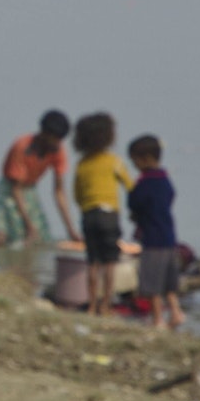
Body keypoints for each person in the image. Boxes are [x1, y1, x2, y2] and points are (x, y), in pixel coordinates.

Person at [73, 113, 136, 315]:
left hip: (89, 214)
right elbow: (130, 186)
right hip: (109, 214)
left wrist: (86, 207)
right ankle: (106, 304)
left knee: (92, 262)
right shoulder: (114, 161)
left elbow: (77, 194)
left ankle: (91, 305)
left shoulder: (82, 164)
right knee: (109, 262)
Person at [0, 110, 81, 247]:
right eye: (54, 139)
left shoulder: (58, 151)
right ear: (44, 134)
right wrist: (28, 224)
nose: (57, 143)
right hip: (9, 189)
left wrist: (70, 230)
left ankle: (29, 266)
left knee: (39, 238)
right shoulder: (22, 146)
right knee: (2, 236)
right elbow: (16, 189)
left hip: (30, 190)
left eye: (59, 140)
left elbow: (59, 191)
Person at [126, 135, 184, 329]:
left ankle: (157, 319)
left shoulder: (145, 183)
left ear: (145, 159)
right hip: (169, 239)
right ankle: (176, 313)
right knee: (169, 285)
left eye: (134, 160)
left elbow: (134, 202)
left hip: (153, 241)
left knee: (153, 285)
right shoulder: (165, 179)